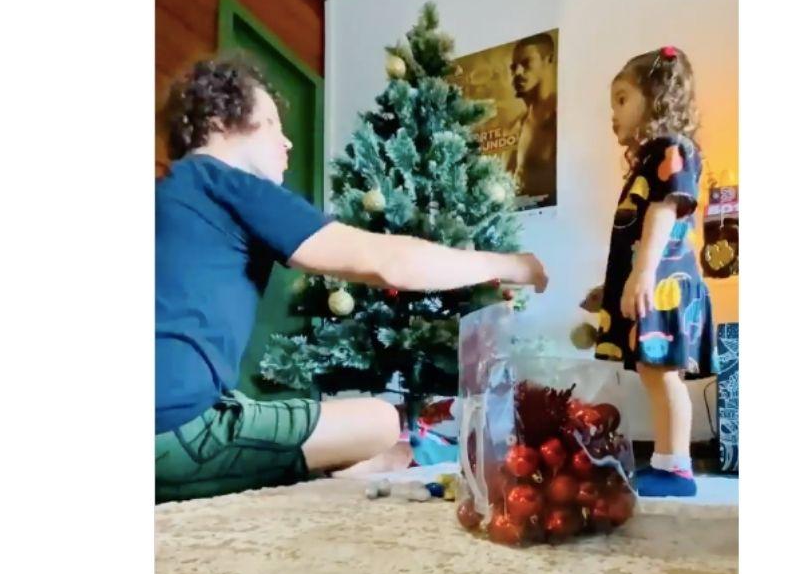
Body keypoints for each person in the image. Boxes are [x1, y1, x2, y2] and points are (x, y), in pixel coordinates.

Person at [155, 55, 549, 503]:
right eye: (270, 123)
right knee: (380, 422)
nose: (287, 141)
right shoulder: (224, 182)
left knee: (371, 449)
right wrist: (513, 265)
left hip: (171, 414)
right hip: (171, 428)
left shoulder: (170, 193)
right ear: (217, 123)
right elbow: (389, 264)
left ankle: (344, 465)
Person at [589, 46, 717, 497]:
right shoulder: (653, 158)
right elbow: (639, 234)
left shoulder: (670, 149)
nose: (614, 113)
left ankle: (675, 467)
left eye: (622, 99)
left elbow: (664, 211)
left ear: (656, 97)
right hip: (656, 281)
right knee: (654, 373)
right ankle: (668, 463)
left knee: (661, 374)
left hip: (666, 286)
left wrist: (643, 275)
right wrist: (613, 286)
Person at [505, 33, 558, 205]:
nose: (518, 72)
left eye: (526, 63)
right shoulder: (516, 125)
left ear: (548, 60)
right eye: (513, 67)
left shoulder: (560, 118)